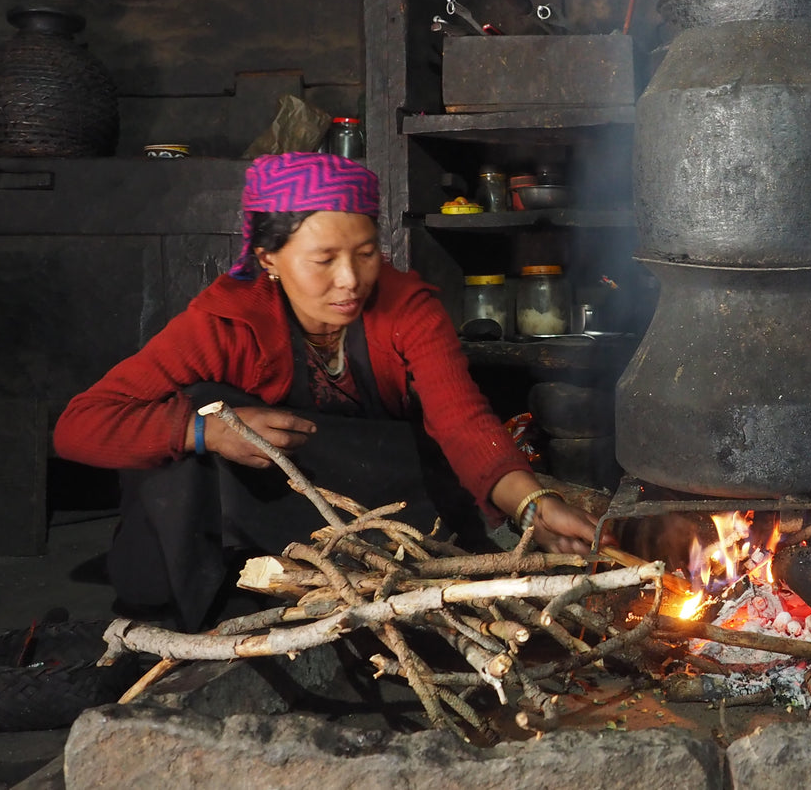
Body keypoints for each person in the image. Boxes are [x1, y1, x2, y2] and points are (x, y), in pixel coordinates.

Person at [54, 151, 599, 628]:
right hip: (269, 514)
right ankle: (199, 604)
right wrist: (204, 432)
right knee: (195, 409)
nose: (351, 280)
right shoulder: (224, 322)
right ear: (269, 258)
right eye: (324, 260)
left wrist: (531, 504)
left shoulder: (407, 308)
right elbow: (80, 426)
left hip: (384, 507)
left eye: (365, 253)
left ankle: (385, 582)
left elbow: (462, 420)